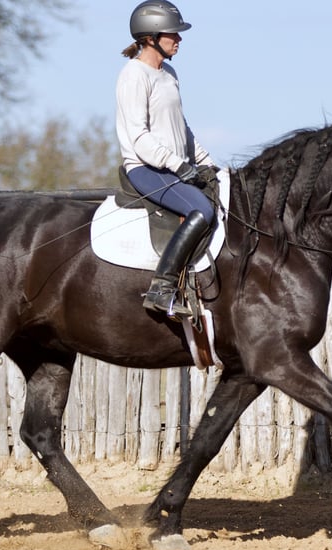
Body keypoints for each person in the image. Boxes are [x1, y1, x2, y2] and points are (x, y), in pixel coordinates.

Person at [116, 0, 217, 319]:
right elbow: (139, 138)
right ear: (150, 37)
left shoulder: (168, 73)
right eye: (173, 33)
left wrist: (206, 161)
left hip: (174, 169)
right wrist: (178, 165)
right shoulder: (134, 75)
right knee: (201, 209)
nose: (179, 39)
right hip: (146, 169)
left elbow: (181, 127)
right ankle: (162, 288)